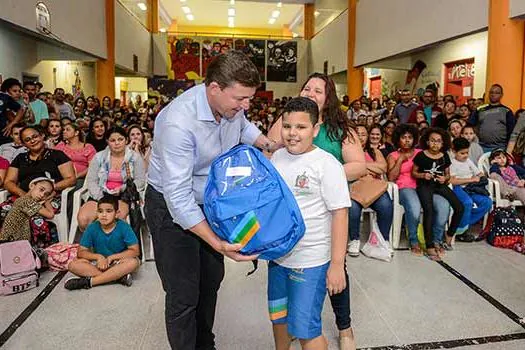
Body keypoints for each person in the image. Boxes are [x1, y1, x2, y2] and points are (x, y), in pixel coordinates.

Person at [144, 51, 280, 350]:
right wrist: (217, 242)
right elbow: (178, 198)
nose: (246, 106)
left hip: (210, 200)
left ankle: (205, 344)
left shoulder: (232, 109)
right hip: (169, 206)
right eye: (240, 99)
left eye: (248, 99)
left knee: (210, 280)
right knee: (183, 292)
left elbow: (244, 127)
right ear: (214, 88)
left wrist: (268, 145)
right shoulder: (178, 122)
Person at [267, 73, 365, 349]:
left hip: (311, 257)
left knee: (306, 327)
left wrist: (336, 265)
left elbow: (340, 214)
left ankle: (345, 329)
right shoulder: (278, 157)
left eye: (300, 127)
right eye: (287, 126)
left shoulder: (327, 163)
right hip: (279, 256)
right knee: (279, 318)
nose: (292, 132)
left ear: (315, 129)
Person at [1, 126, 76, 247]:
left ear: (42, 136)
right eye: (27, 139)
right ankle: (7, 247)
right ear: (24, 144)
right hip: (24, 196)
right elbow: (8, 181)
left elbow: (71, 179)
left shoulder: (57, 155)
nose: (32, 140)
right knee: (4, 211)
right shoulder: (20, 158)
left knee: (33, 216)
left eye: (35, 136)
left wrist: (48, 190)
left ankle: (35, 251)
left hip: (49, 197)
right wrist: (24, 195)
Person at [387, 124, 451, 255]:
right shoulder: (392, 155)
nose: (407, 140)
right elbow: (391, 177)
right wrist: (400, 160)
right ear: (397, 139)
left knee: (444, 206)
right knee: (415, 209)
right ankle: (414, 241)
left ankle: (436, 241)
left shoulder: (421, 153)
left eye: (410, 137)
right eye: (403, 137)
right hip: (405, 188)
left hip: (427, 187)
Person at [64, 195, 140, 290]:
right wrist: (99, 257)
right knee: (73, 265)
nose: (104, 215)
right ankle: (117, 278)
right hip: (98, 263)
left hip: (117, 262)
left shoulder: (124, 227)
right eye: (100, 211)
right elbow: (81, 252)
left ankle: (90, 282)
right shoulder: (92, 227)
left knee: (133, 262)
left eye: (109, 211)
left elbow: (135, 251)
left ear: (117, 213)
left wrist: (112, 257)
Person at [77, 127, 145, 231]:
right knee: (83, 219)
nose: (117, 143)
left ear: (126, 140)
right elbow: (91, 181)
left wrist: (122, 188)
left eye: (120, 139)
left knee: (112, 219)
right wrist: (101, 197)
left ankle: (108, 245)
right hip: (100, 194)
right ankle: (94, 243)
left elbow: (140, 181)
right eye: (113, 140)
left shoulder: (135, 158)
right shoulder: (98, 157)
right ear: (107, 142)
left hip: (123, 196)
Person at [412, 128, 464, 260]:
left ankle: (449, 235)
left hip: (439, 185)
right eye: (432, 141)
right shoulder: (421, 156)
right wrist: (423, 175)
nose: (435, 144)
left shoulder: (444, 156)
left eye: (438, 141)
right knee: (428, 211)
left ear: (443, 143)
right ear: (427, 142)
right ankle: (430, 246)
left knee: (459, 207)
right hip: (424, 185)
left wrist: (445, 179)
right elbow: (414, 173)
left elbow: (448, 175)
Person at [351, 125, 393, 256]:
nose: (360, 137)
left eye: (363, 134)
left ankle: (383, 240)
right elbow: (345, 169)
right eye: (357, 133)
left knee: (386, 205)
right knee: (352, 208)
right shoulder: (347, 151)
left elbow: (383, 168)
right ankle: (354, 239)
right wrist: (371, 168)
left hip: (373, 187)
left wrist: (360, 167)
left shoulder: (374, 151)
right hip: (354, 186)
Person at [449, 137, 492, 242]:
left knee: (487, 202)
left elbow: (478, 173)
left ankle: (463, 225)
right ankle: (462, 231)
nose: (465, 155)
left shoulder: (468, 161)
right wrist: (471, 179)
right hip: (458, 188)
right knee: (467, 203)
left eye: (467, 152)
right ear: (454, 151)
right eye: (462, 153)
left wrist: (481, 177)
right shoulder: (452, 163)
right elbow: (453, 181)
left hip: (471, 188)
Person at [0, 175, 55, 242]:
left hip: (14, 238)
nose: (42, 195)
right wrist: (47, 200)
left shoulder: (23, 199)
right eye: (41, 190)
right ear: (32, 186)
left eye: (46, 194)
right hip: (12, 240)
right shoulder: (27, 202)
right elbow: (50, 214)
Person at [469, 84, 515, 152]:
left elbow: (512, 131)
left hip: (501, 147)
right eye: (491, 92)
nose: (493, 94)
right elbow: (470, 125)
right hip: (481, 146)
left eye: (497, 93)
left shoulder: (506, 111)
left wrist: (509, 149)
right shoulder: (479, 109)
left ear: (501, 95)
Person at [0, 78, 26, 143]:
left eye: (19, 91)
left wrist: (12, 123)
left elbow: (20, 109)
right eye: (15, 91)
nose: (17, 93)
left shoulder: (4, 97)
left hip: (3, 134)